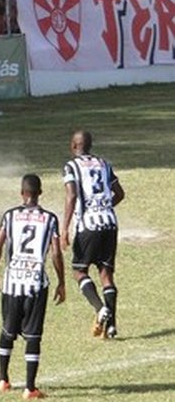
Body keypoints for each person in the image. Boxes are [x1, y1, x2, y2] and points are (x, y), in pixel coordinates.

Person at [0, 174, 67, 400]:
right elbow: (55, 253)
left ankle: (3, 379)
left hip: (12, 281)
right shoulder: (50, 219)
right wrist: (61, 282)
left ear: (22, 193)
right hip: (34, 283)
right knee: (33, 336)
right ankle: (30, 388)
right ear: (40, 193)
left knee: (7, 330)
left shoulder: (10, 216)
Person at [62, 130, 125, 339]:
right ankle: (112, 326)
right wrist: (105, 206)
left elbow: (71, 196)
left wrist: (65, 228)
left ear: (74, 146)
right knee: (106, 274)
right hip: (109, 223)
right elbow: (120, 193)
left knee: (79, 271)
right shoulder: (104, 163)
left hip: (88, 226)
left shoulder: (71, 166)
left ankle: (100, 309)